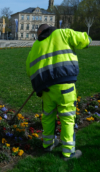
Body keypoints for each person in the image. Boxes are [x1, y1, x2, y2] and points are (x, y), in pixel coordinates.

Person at [26, 24, 91, 161]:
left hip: (46, 89)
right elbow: (84, 40)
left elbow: (28, 69)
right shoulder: (63, 33)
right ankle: (68, 153)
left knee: (48, 117)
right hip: (65, 86)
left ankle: (48, 144)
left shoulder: (36, 45)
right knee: (67, 118)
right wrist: (89, 40)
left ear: (40, 33)